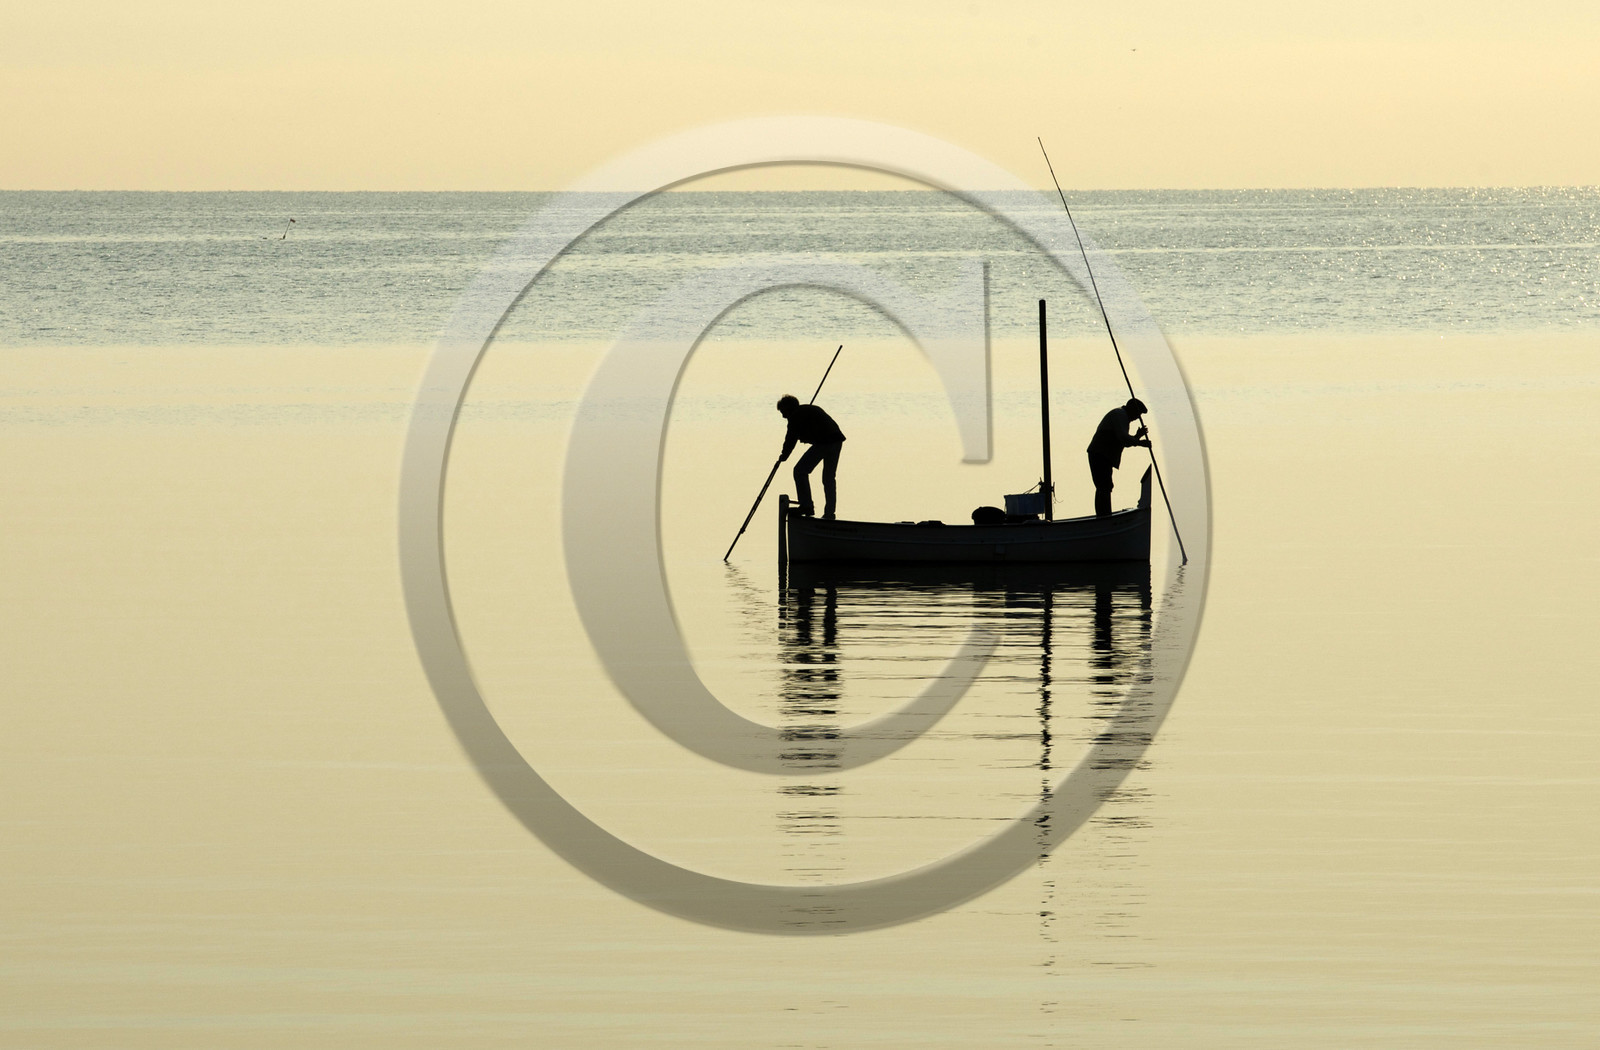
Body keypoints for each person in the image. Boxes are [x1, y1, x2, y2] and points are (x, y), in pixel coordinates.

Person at [776, 394, 846, 519]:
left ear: (788, 408)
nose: (783, 416)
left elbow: (790, 439)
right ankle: (830, 513)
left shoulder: (795, 417)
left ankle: (806, 505)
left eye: (783, 412)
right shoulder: (805, 411)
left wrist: (784, 456)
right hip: (836, 441)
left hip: (825, 442)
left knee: (799, 471)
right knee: (828, 478)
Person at [1086, 397, 1150, 517]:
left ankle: (1104, 515)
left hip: (1104, 456)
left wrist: (1137, 437)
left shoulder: (1123, 418)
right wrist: (1140, 443)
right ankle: (1103, 516)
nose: (1138, 417)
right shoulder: (1120, 415)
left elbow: (1124, 442)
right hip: (1100, 455)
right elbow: (1123, 438)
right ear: (1132, 410)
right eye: (1138, 414)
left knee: (1105, 486)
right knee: (1104, 486)